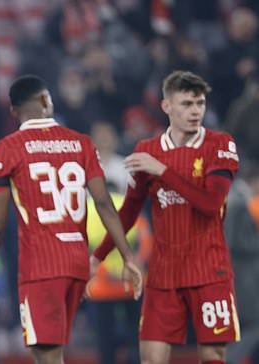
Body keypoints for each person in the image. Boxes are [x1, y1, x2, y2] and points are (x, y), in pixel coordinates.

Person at [0, 75, 142, 364]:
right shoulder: (82, 144)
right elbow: (104, 204)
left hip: (41, 265)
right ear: (47, 102)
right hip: (76, 263)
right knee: (48, 353)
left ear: (13, 111)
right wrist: (127, 256)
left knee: (47, 355)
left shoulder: (6, 149)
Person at [91, 70, 241, 364]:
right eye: (187, 104)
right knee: (151, 358)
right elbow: (129, 213)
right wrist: (97, 257)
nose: (195, 111)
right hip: (163, 274)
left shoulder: (220, 145)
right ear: (166, 106)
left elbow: (210, 204)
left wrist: (162, 171)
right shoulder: (146, 151)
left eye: (200, 103)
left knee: (213, 355)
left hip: (210, 271)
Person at [224, 161, 259, 364]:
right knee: (254, 323)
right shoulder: (237, 202)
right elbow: (235, 241)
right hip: (242, 275)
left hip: (243, 274)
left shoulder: (237, 200)